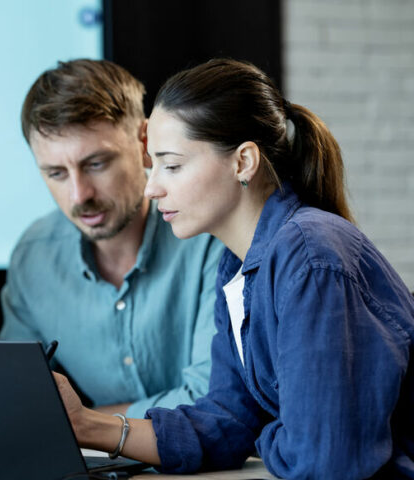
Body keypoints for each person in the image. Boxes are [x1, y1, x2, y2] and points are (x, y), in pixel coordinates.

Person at [53, 58, 414, 479]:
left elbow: (323, 459)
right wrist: (83, 424)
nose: (152, 188)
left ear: (243, 162)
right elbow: (224, 422)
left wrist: (267, 432)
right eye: (153, 166)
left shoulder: (310, 254)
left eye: (171, 165)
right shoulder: (238, 266)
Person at [0, 59, 224, 417]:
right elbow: (17, 399)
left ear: (145, 140)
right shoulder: (33, 257)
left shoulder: (211, 236)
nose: (78, 195)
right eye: (56, 173)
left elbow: (212, 398)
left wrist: (86, 424)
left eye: (96, 164)